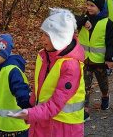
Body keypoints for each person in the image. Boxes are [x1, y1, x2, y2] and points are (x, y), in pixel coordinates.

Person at [8, 8, 85, 137]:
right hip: (42, 121)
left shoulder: (71, 65)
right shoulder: (44, 56)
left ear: (60, 37)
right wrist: (30, 105)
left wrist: (31, 113)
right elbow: (40, 90)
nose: (42, 39)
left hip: (63, 127)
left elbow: (56, 103)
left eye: (47, 35)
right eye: (43, 34)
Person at [77, 0, 113, 120]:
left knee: (102, 82)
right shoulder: (84, 18)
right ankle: (84, 109)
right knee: (84, 85)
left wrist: (109, 59)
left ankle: (105, 95)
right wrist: (83, 21)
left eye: (92, 5)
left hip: (99, 61)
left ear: (99, 7)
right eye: (87, 5)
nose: (88, 8)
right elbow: (71, 21)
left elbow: (111, 43)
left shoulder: (107, 23)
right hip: (85, 59)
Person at [0, 34, 31, 137]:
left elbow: (22, 91)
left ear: (4, 54)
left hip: (16, 128)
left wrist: (29, 110)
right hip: (1, 126)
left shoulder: (12, 71)